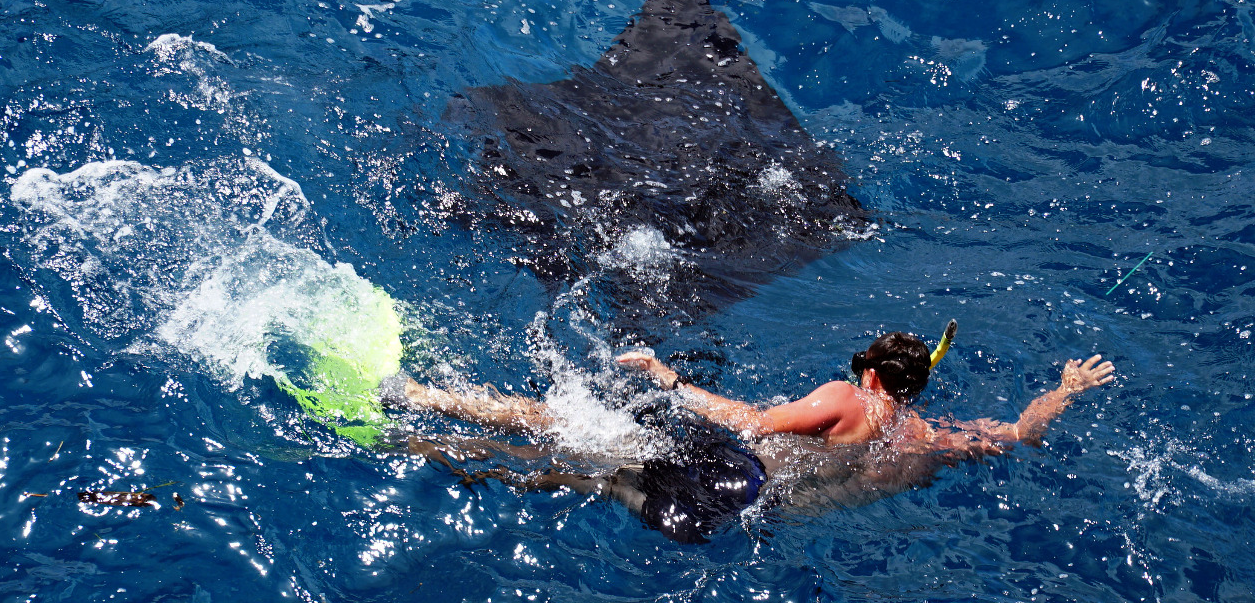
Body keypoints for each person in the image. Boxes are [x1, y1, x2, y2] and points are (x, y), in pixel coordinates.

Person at [394, 333, 1115, 542]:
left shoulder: (843, 399)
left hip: (725, 468)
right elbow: (1020, 433)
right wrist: (1063, 392)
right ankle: (426, 449)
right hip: (738, 514)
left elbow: (750, 421)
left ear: (868, 372)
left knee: (573, 424)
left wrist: (671, 380)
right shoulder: (928, 438)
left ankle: (425, 403)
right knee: (572, 476)